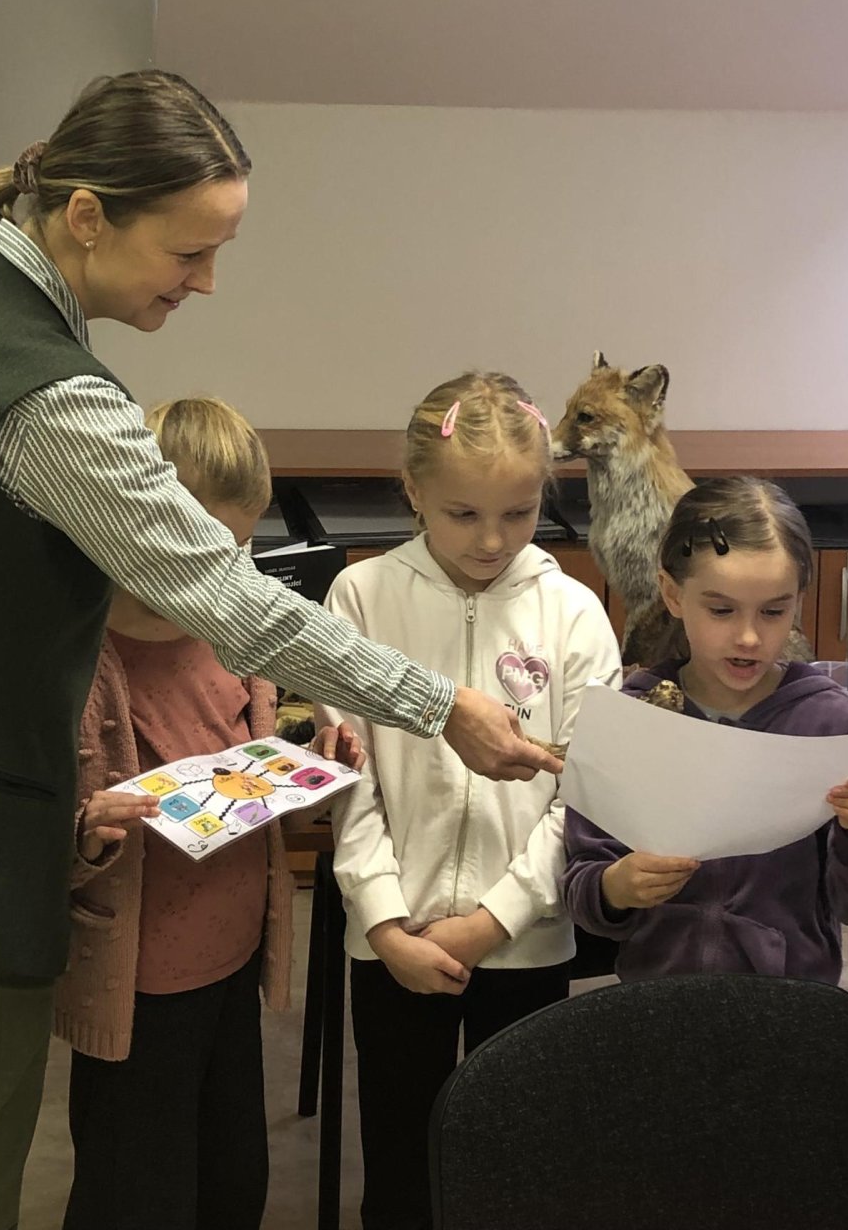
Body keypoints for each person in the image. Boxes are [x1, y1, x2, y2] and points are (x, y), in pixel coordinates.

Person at [0, 71, 559, 1230]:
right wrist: (441, 704)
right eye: (190, 250)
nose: (204, 282)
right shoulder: (49, 398)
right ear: (87, 216)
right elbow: (233, 602)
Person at [317, 372, 621, 1230]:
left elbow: (583, 795)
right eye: (463, 514)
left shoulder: (573, 613)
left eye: (519, 513)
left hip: (524, 940)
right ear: (413, 491)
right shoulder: (360, 597)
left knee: (515, 1167)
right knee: (401, 1168)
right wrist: (384, 922)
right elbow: (349, 784)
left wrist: (494, 920)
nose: (492, 540)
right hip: (396, 944)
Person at [56, 395, 355, 1230]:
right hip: (135, 992)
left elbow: (257, 781)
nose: (214, 574)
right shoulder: (80, 656)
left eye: (234, 553)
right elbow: (31, 838)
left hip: (230, 966)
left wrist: (314, 763)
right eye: (196, 549)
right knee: (134, 1192)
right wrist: (84, 836)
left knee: (231, 1179)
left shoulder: (232, 639)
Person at [562, 476, 848, 983]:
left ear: (799, 600)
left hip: (788, 1006)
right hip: (658, 1004)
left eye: (773, 611)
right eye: (721, 610)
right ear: (672, 593)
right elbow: (582, 888)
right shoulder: (633, 718)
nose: (749, 637)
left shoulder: (831, 725)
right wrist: (617, 886)